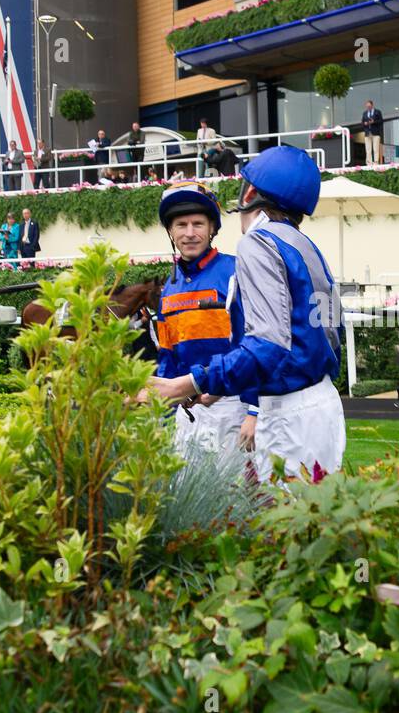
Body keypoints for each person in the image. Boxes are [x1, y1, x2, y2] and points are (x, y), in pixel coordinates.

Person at [143, 145, 346, 483]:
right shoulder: (304, 245)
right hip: (320, 403)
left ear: (250, 192)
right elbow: (328, 334)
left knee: (279, 525)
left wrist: (184, 384)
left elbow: (267, 344)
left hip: (286, 410)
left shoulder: (257, 243)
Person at [152, 181, 258, 458]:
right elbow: (168, 358)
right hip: (187, 412)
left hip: (233, 407)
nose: (189, 233)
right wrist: (163, 416)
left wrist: (254, 410)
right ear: (170, 231)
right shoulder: (169, 287)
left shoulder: (236, 270)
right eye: (181, 225)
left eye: (198, 224)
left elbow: (258, 345)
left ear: (212, 229)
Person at [361, 100, 384, 166]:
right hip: (367, 132)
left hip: (376, 132)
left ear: (372, 105)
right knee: (368, 149)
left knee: (375, 148)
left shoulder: (377, 112)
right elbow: (362, 122)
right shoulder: (365, 113)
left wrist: (373, 122)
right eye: (367, 106)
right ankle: (369, 162)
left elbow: (381, 121)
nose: (368, 107)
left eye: (369, 106)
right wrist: (365, 123)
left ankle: (376, 161)